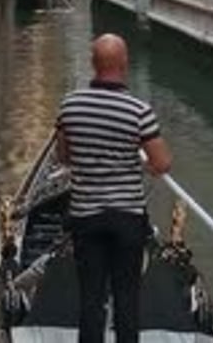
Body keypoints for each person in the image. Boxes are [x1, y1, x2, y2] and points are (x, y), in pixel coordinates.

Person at [56, 33, 172, 343]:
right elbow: (162, 164)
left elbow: (63, 156)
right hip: (127, 218)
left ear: (93, 64)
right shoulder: (139, 111)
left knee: (91, 299)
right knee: (127, 298)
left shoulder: (69, 105)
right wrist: (137, 163)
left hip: (86, 216)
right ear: (124, 63)